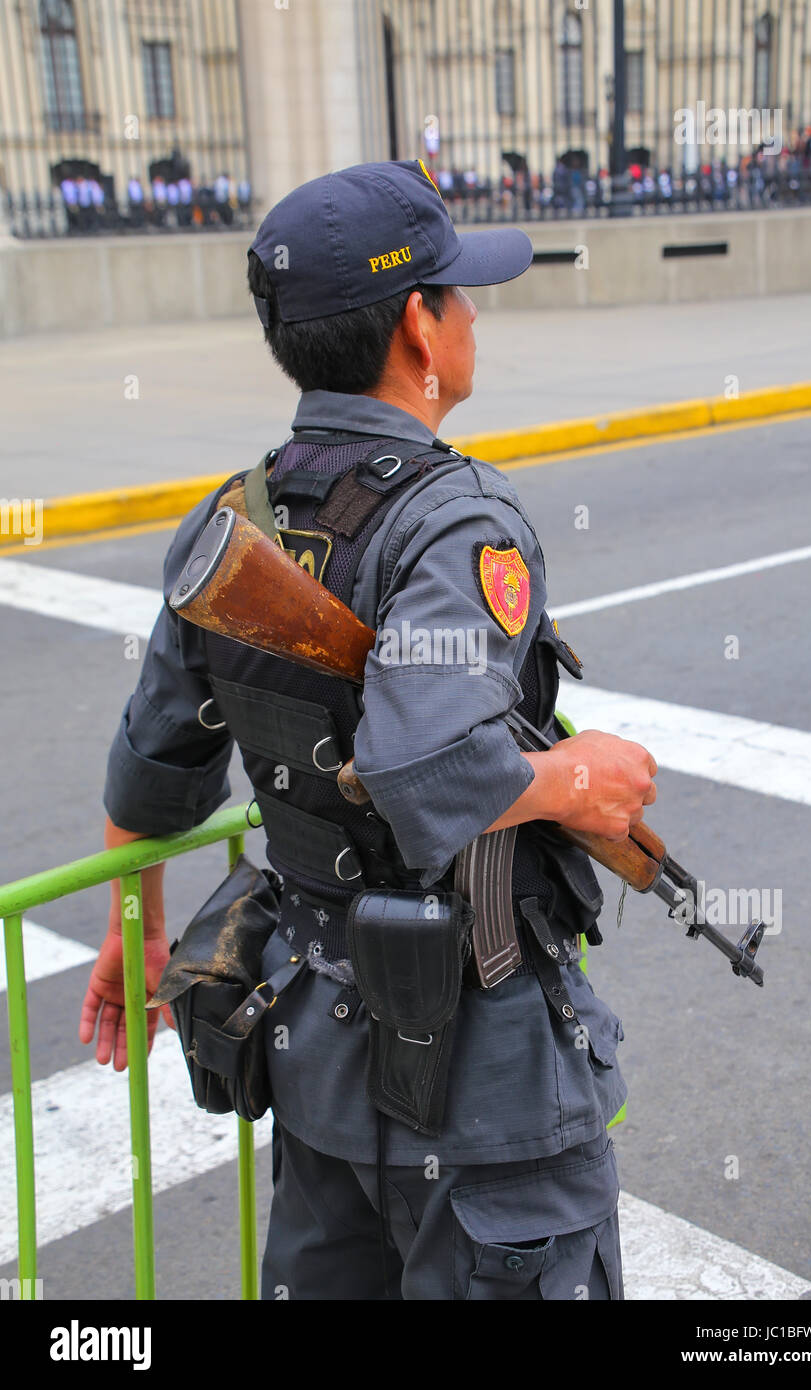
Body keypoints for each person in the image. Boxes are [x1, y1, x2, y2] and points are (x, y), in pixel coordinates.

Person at [79, 158, 656, 1301]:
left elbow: (154, 772)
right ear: (417, 328)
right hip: (481, 1082)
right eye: (457, 294)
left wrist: (130, 925)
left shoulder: (232, 522)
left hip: (319, 1060)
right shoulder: (455, 523)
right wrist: (573, 780)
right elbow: (422, 759)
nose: (472, 314)